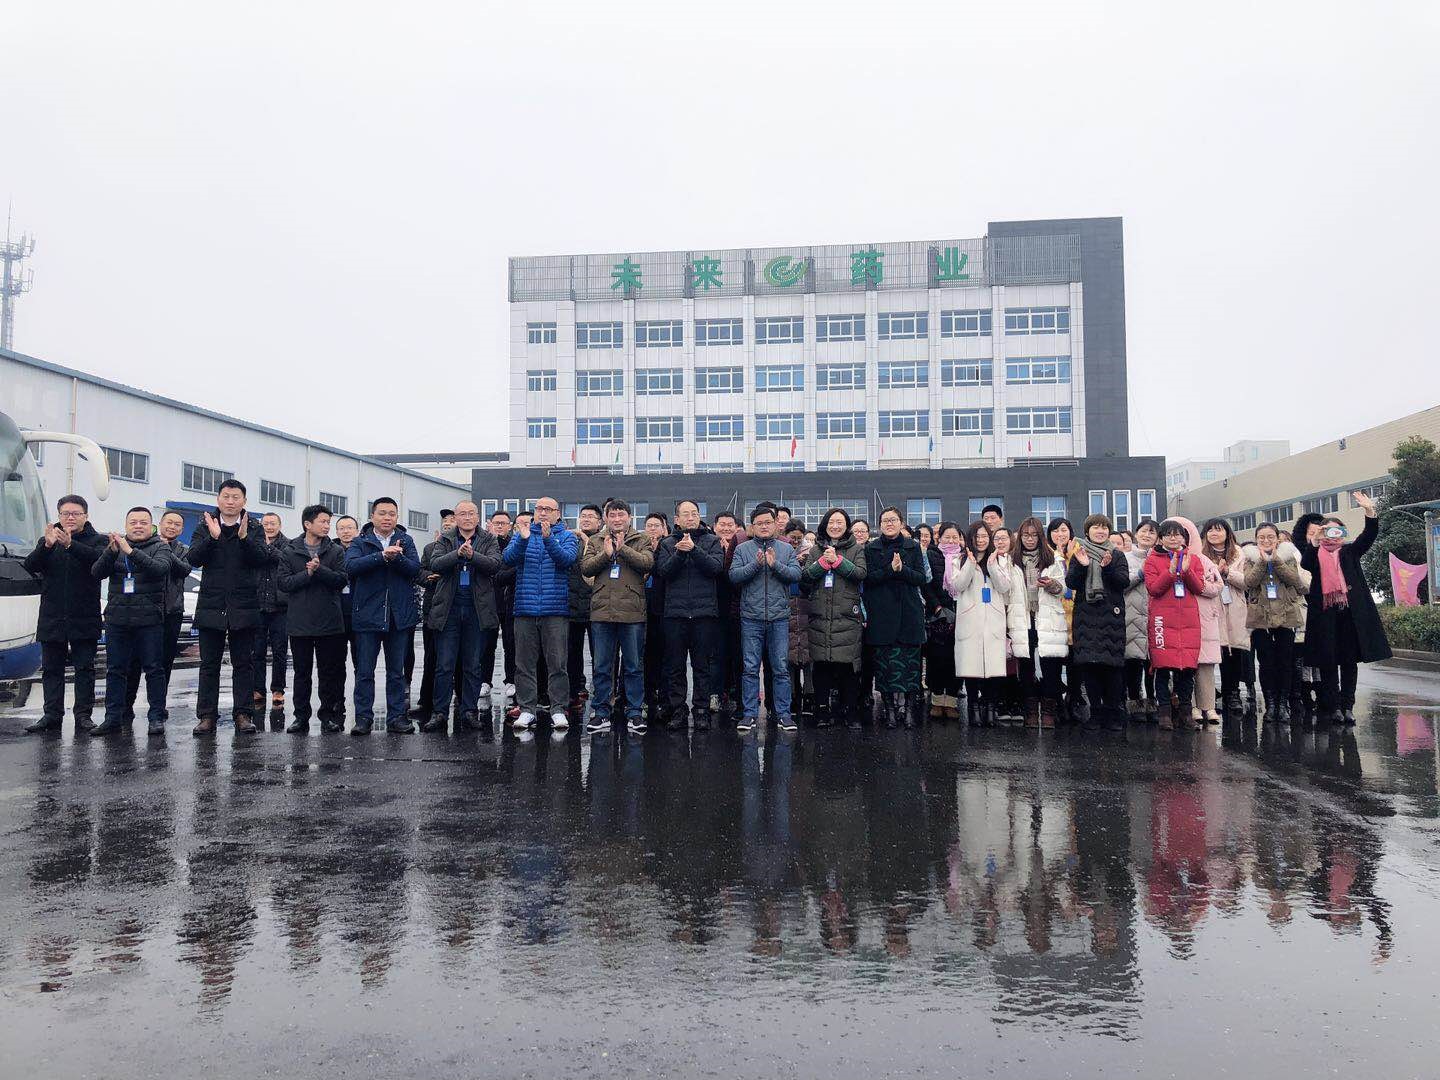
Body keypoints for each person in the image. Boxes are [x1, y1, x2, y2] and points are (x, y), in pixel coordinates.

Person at [188, 481, 279, 736]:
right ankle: (207, 716)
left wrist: (245, 538)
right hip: (211, 605)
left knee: (243, 664)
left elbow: (262, 558)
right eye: (226, 496)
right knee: (209, 665)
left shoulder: (254, 527)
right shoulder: (205, 525)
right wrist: (213, 538)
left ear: (244, 501)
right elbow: (193, 558)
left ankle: (243, 714)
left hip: (244, 605)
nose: (230, 501)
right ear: (218, 499)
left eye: (236, 497)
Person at [1299, 491, 1391, 724]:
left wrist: (1369, 511)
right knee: (1328, 661)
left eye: (1336, 530)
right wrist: (1315, 540)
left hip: (1350, 614)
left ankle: (1348, 706)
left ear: (1343, 532)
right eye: (1327, 530)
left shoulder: (1350, 551)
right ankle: (1334, 708)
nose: (1332, 535)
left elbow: (1368, 536)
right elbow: (1305, 564)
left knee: (1349, 662)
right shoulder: (1315, 554)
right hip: (1325, 615)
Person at [89, 507, 181, 736]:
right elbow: (96, 573)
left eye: (143, 522)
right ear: (126, 525)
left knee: (154, 670)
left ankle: (156, 717)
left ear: (151, 526)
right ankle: (113, 718)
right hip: (117, 619)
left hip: (149, 621)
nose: (138, 526)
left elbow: (160, 569)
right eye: (133, 522)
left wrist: (130, 551)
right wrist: (111, 552)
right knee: (115, 670)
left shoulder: (160, 546)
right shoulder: (115, 547)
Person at [22, 495, 106, 734]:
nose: (70, 517)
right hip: (52, 616)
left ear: (85, 516)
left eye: (76, 513)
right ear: (59, 515)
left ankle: (83, 716)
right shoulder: (48, 540)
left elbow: (100, 563)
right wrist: (47, 546)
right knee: (51, 669)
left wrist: (71, 545)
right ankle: (51, 715)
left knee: (84, 669)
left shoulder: (97, 540)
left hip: (85, 615)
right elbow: (30, 566)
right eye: (65, 513)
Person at [345, 497, 422, 735]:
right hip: (368, 615)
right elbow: (351, 567)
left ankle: (397, 717)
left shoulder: (406, 540)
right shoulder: (360, 541)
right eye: (382, 513)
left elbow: (415, 569)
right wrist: (381, 556)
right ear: (372, 516)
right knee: (364, 672)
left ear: (397, 517)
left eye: (392, 514)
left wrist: (397, 558)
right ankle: (363, 718)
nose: (387, 518)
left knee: (396, 672)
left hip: (398, 616)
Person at [424, 500, 502, 735]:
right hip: (449, 609)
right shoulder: (446, 539)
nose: (467, 518)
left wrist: (472, 555)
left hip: (477, 609)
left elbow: (494, 565)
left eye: (471, 513)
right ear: (456, 517)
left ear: (477, 517)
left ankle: (469, 711)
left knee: (472, 664)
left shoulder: (489, 539)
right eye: (462, 514)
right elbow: (435, 563)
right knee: (444, 664)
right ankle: (439, 712)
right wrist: (457, 554)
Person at [502, 497, 579, 731]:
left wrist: (549, 539)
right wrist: (523, 539)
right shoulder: (522, 534)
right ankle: (527, 709)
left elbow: (567, 561)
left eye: (548, 509)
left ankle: (558, 709)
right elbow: (508, 559)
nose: (543, 512)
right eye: (539, 508)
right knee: (524, 664)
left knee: (557, 663)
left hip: (555, 609)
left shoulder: (566, 536)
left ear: (557, 513)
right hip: (525, 608)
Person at [578, 500, 652, 735]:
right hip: (602, 611)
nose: (617, 519)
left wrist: (623, 550)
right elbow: (586, 567)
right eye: (613, 515)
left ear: (629, 517)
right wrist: (606, 554)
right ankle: (601, 712)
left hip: (632, 613)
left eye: (621, 515)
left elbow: (647, 563)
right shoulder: (596, 540)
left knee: (633, 666)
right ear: (606, 518)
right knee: (602, 666)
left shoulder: (641, 539)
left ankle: (635, 712)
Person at [277, 504, 349, 733]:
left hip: (329, 621)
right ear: (308, 524)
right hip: (300, 622)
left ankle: (328, 715)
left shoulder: (335, 551)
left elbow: (341, 580)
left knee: (328, 673)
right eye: (323, 521)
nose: (327, 526)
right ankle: (301, 717)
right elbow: (284, 583)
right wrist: (307, 573)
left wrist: (320, 570)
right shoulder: (290, 550)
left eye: (328, 522)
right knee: (302, 673)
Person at [729, 505, 801, 733]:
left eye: (768, 522)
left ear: (775, 524)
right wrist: (756, 564)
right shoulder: (743, 549)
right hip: (751, 617)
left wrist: (774, 564)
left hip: (779, 617)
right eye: (759, 523)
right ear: (752, 526)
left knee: (780, 668)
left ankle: (784, 714)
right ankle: (749, 714)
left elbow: (796, 574)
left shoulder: (786, 548)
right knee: (750, 668)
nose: (764, 527)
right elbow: (734, 576)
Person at [656, 499, 724, 730]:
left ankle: (701, 710)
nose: (691, 517)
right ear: (677, 519)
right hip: (675, 614)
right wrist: (680, 553)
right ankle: (678, 710)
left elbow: (715, 568)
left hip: (704, 614)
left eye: (694, 513)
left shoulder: (712, 540)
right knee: (675, 666)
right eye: (685, 514)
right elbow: (663, 572)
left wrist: (694, 550)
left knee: (702, 665)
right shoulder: (667, 543)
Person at [123, 508, 192, 726]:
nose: (172, 527)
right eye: (168, 522)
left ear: (181, 529)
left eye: (177, 524)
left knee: (163, 663)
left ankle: (158, 707)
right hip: (144, 610)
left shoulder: (183, 550)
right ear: (159, 524)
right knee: (133, 661)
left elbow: (184, 570)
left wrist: (165, 550)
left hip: (171, 612)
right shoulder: (144, 544)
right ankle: (126, 706)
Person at [801, 508, 866, 728]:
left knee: (848, 666)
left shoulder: (856, 549)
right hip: (820, 614)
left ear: (847, 526)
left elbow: (860, 574)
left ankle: (850, 711)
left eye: (840, 522)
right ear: (825, 525)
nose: (835, 526)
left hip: (846, 615)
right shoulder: (815, 550)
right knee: (821, 666)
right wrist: (821, 564)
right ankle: (822, 710)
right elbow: (806, 577)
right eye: (831, 522)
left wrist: (838, 562)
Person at [1064, 514, 1129, 731]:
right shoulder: (1080, 553)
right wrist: (1083, 566)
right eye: (1095, 528)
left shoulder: (1117, 554)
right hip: (1086, 617)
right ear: (1087, 531)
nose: (1100, 531)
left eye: (1104, 528)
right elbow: (1071, 583)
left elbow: (1123, 582)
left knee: (1112, 668)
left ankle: (1113, 713)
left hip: (1111, 617)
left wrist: (1107, 568)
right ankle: (1096, 712)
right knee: (1090, 667)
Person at [865, 506, 927, 728]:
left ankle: (909, 710)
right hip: (882, 614)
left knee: (911, 667)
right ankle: (890, 710)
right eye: (885, 521)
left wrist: (902, 570)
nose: (889, 524)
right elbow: (868, 579)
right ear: (880, 525)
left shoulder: (913, 546)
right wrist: (890, 570)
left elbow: (921, 578)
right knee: (885, 667)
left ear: (901, 523)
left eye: (893, 520)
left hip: (909, 613)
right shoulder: (871, 548)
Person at [1145, 519, 1209, 731]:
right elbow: (1154, 589)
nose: (1173, 538)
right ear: (1161, 538)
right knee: (1162, 669)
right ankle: (1164, 713)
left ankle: (1185, 713)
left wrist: (1187, 571)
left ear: (1184, 538)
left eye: (1178, 534)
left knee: (1187, 670)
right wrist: (1171, 571)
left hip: (1188, 621)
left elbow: (1199, 587)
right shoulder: (1152, 560)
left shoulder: (1194, 559)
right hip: (1163, 620)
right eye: (1168, 534)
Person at [948, 521, 1012, 727]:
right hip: (970, 620)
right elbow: (958, 585)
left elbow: (1004, 587)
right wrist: (970, 563)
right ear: (970, 538)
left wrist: (992, 566)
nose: (981, 540)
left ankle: (990, 708)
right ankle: (973, 707)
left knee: (993, 667)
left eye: (985, 536)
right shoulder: (959, 560)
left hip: (993, 620)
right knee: (971, 666)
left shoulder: (1000, 559)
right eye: (977, 536)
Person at [1243, 522, 1308, 723]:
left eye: (1270, 536)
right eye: (1261, 537)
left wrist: (1276, 560)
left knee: (1285, 662)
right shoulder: (1250, 558)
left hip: (1286, 614)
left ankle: (1283, 704)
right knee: (1266, 663)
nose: (1266, 540)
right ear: (1256, 539)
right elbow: (1249, 582)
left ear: (1277, 538)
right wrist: (1262, 562)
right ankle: (1270, 704)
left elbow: (1294, 580)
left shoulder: (1288, 556)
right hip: (1260, 616)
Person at [1202, 518, 1252, 717]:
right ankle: (1208, 694)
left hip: (1233, 607)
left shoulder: (1239, 554)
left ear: (1227, 533)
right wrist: (1214, 573)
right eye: (1210, 530)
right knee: (1210, 652)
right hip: (1210, 606)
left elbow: (1247, 582)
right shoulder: (1200, 554)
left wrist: (1227, 572)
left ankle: (1232, 693)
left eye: (1219, 530)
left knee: (1233, 651)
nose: (1214, 534)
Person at [413, 508, 456, 723]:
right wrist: (430, 577)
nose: (448, 523)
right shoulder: (430, 548)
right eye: (445, 520)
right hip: (434, 608)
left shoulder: (466, 547)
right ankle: (426, 701)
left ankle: (461, 703)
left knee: (457, 661)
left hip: (457, 608)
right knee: (432, 658)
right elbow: (419, 573)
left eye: (452, 519)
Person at [249, 512, 290, 725]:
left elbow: (283, 560)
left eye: (273, 523)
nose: (269, 527)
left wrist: (267, 547)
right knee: (256, 651)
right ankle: (257, 688)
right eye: (265, 524)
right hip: (257, 605)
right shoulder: (254, 543)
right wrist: (261, 546)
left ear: (280, 525)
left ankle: (278, 690)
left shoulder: (288, 545)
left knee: (279, 651)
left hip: (280, 606)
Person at [922, 522, 964, 719]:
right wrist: (937, 606)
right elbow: (926, 584)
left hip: (961, 612)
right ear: (939, 538)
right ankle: (937, 700)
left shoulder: (964, 557)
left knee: (957, 658)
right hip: (937, 613)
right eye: (947, 537)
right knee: (937, 658)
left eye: (955, 537)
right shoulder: (931, 555)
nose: (951, 540)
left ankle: (952, 701)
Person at [991, 526, 1032, 722]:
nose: (1000, 542)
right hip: (995, 614)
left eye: (1004, 538)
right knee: (999, 659)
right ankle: (1000, 701)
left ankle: (1016, 701)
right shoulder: (989, 562)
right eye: (996, 538)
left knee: (1016, 659)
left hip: (1015, 614)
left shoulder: (1017, 563)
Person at [1034, 520, 1072, 729]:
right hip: (1053, 614)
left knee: (1073, 663)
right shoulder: (1047, 556)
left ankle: (1073, 700)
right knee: (1050, 661)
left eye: (1063, 530)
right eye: (1055, 530)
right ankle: (1054, 704)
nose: (1060, 534)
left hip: (1075, 613)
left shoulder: (1078, 552)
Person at [1123, 519, 1160, 722]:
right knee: (1134, 660)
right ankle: (1135, 702)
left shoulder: (1161, 557)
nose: (1147, 535)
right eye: (1144, 531)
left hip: (1155, 614)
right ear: (1136, 534)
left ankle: (1152, 702)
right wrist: (1140, 573)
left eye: (1152, 532)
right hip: (1132, 615)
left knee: (1153, 662)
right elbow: (1120, 584)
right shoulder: (1125, 557)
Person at [566, 504, 602, 711]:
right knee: (572, 653)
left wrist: (587, 541)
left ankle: (602, 694)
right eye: (583, 516)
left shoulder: (604, 540)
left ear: (600, 521)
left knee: (600, 655)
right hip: (572, 604)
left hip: (597, 606)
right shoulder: (571, 539)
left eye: (591, 516)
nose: (586, 519)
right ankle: (574, 692)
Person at [480, 508, 516, 703]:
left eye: (503, 523)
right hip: (488, 601)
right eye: (496, 523)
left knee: (511, 644)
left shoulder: (514, 544)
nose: (500, 526)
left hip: (509, 602)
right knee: (487, 644)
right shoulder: (484, 544)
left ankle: (511, 680)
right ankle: (485, 680)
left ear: (510, 526)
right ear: (490, 525)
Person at [640, 511, 670, 724]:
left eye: (656, 525)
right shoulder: (639, 546)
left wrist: (658, 549)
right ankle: (644, 695)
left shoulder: (668, 546)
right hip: (641, 607)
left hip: (662, 607)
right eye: (649, 525)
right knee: (643, 654)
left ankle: (662, 695)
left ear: (664, 528)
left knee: (662, 654)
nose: (652, 529)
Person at [713, 511, 742, 715]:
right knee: (717, 655)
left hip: (738, 609)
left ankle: (737, 694)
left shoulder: (742, 546)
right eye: (722, 524)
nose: (726, 528)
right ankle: (715, 692)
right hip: (715, 609)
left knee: (738, 655)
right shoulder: (710, 545)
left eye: (730, 524)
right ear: (715, 527)